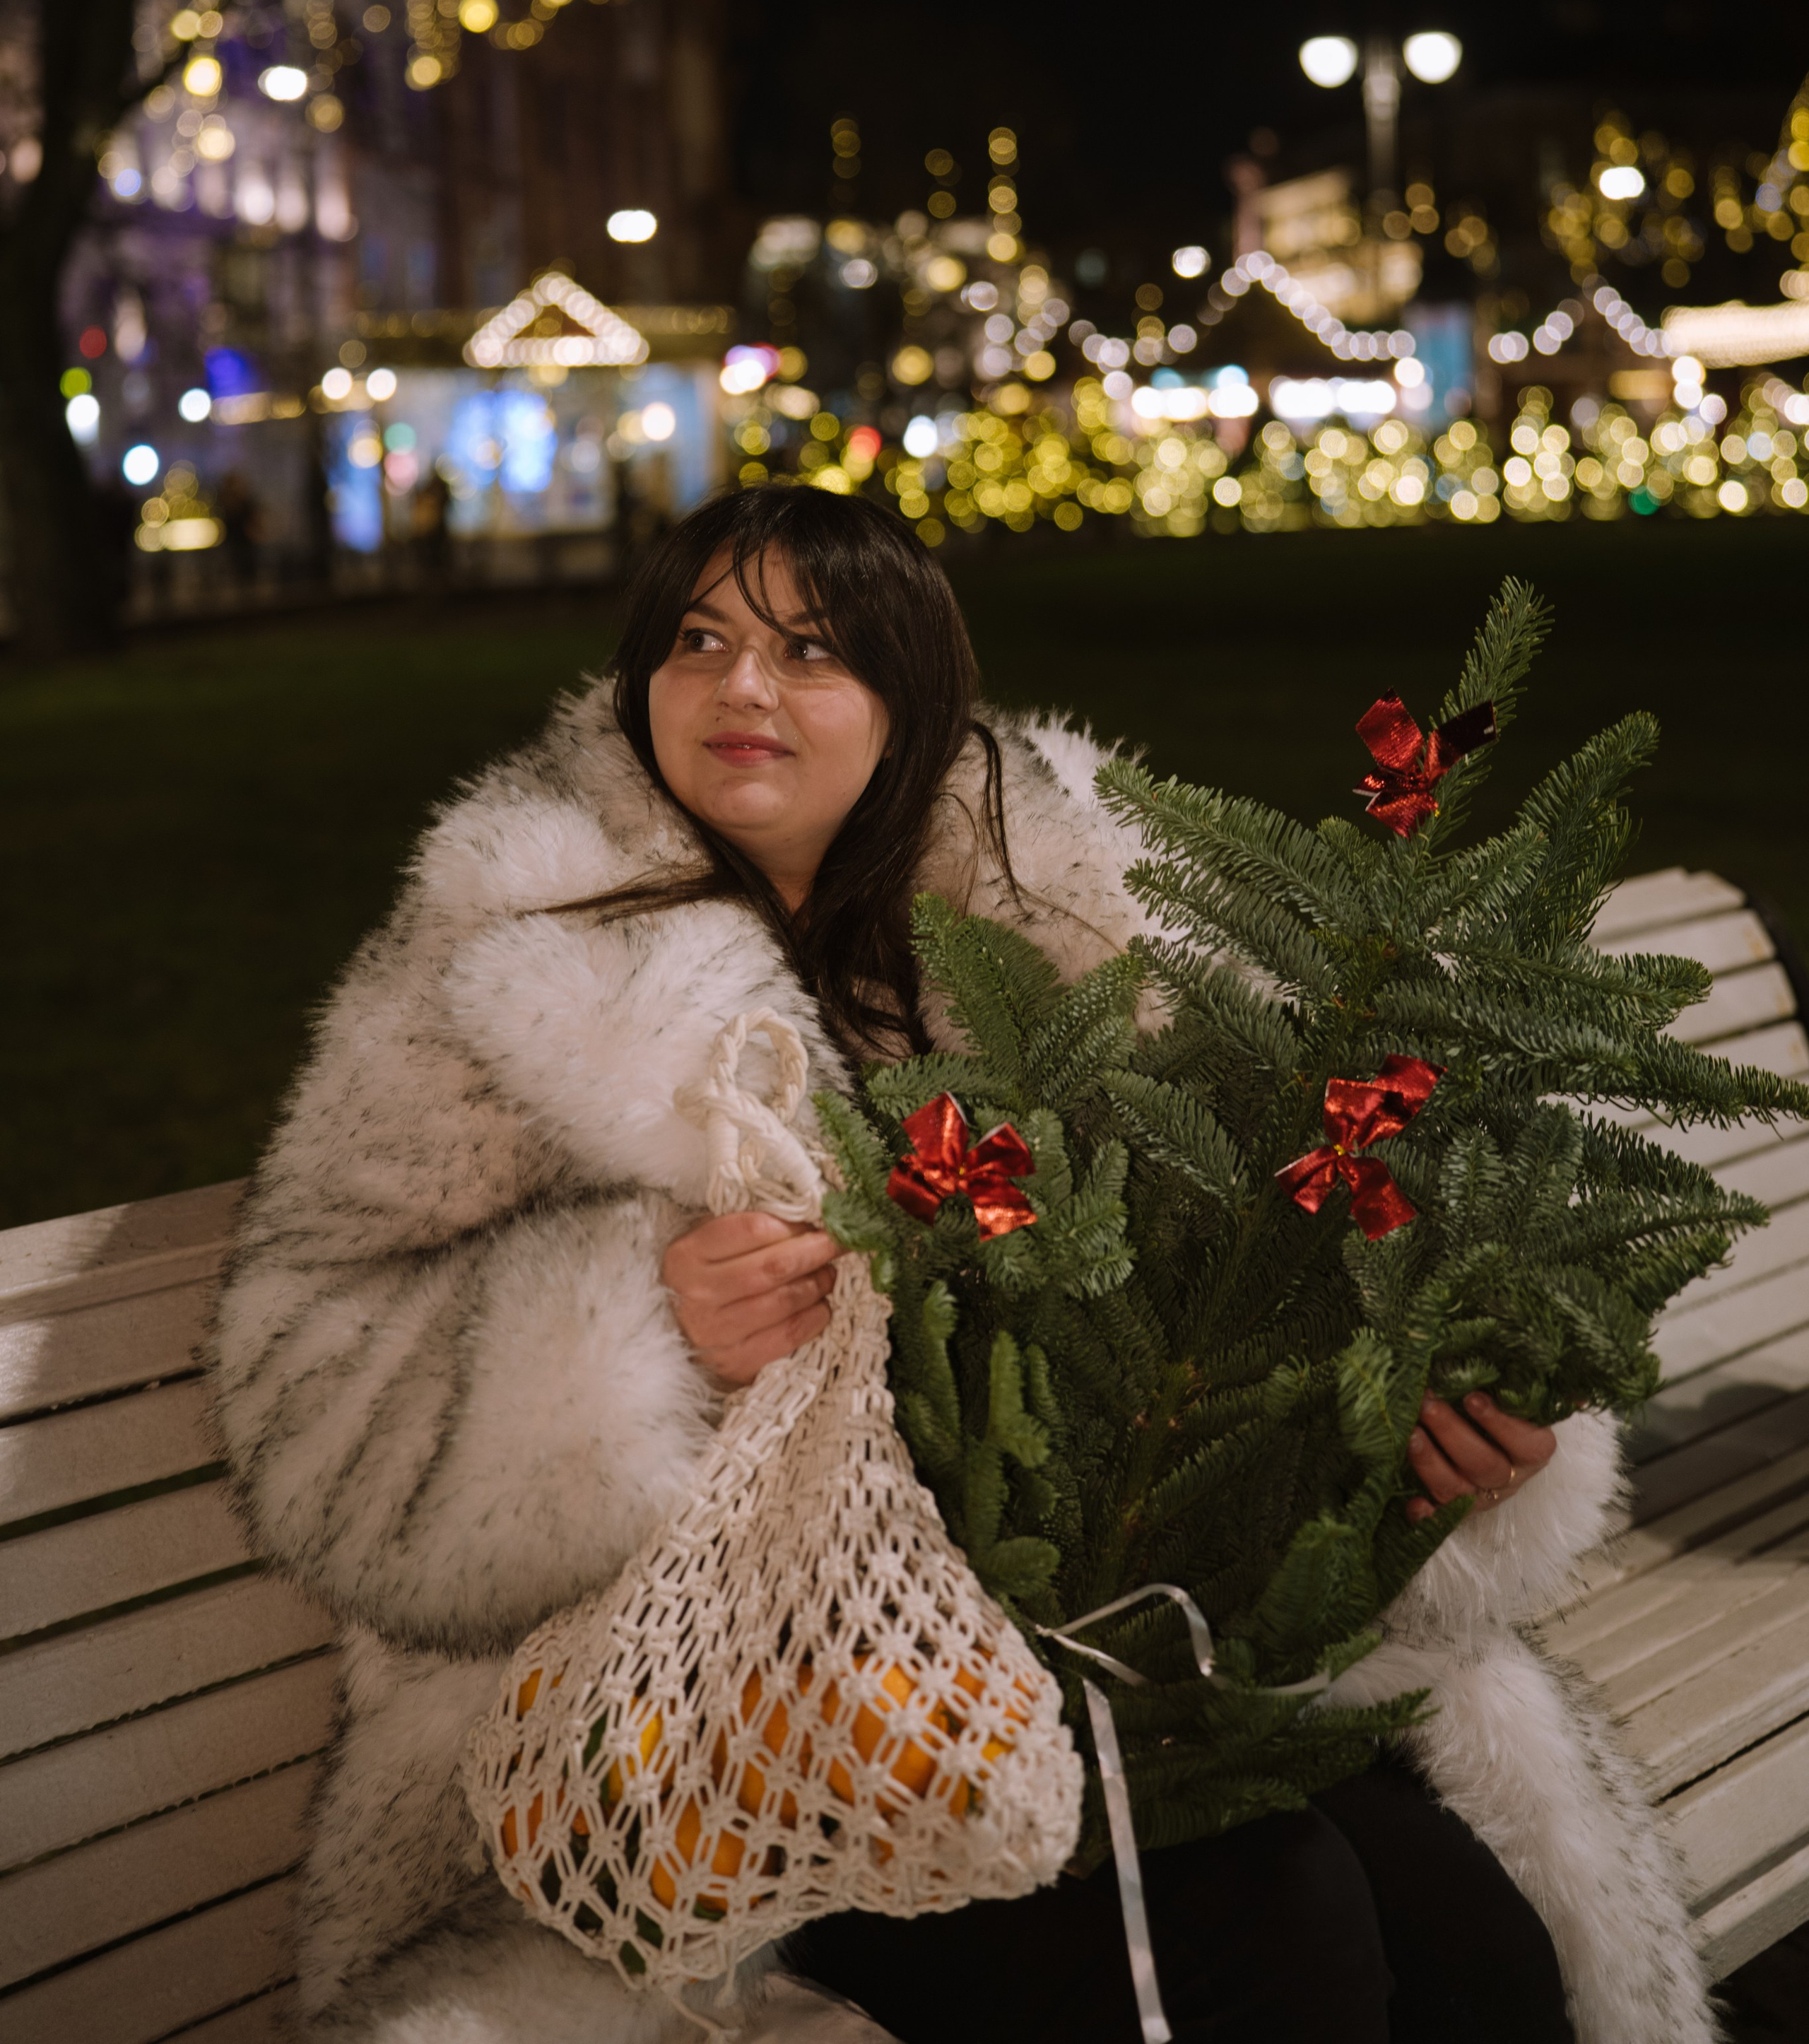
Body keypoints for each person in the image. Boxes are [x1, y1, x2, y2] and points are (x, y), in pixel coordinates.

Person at [213, 486, 1714, 2044]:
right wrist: (635, 1342)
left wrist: (1422, 1442)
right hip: (719, 1737)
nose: (739, 688)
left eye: (810, 651)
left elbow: (1240, 1279)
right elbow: (298, 1380)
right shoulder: (510, 956)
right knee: (1264, 1927)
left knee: (1471, 1940)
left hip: (1104, 1650)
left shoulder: (1063, 923)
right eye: (698, 641)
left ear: (910, 699)